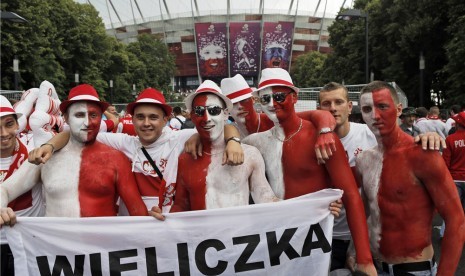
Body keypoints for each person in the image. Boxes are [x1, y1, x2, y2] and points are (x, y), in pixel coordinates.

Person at [242, 68, 376, 275]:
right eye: (265, 98)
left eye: (278, 96)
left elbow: (350, 196)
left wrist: (365, 258)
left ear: (294, 97)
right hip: (276, 243)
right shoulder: (257, 142)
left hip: (315, 242)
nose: (271, 103)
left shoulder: (322, 137)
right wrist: (231, 139)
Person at [28, 87, 244, 214]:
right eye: (140, 117)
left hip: (172, 219)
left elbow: (221, 126)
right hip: (135, 222)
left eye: (153, 117)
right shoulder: (125, 142)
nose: (146, 123)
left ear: (166, 119)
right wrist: (48, 145)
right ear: (133, 119)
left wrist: (233, 140)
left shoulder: (180, 138)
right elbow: (75, 133)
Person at [318, 82, 444, 274]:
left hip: (397, 257)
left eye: (338, 102)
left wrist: (429, 135)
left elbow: (396, 135)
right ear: (318, 109)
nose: (333, 108)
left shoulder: (369, 131)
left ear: (350, 107)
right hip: (328, 235)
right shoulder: (313, 140)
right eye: (326, 104)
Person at [354, 81, 464, 275]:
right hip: (375, 268)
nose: (375, 115)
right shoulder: (364, 160)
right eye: (367, 109)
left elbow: (456, 220)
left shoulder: (422, 155)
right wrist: (353, 252)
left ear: (398, 110)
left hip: (415, 269)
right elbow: (365, 213)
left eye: (382, 106)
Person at [1, 84, 149, 221]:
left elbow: (137, 212)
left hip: (102, 246)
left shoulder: (116, 159)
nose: (87, 122)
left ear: (101, 117)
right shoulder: (44, 156)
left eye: (93, 115)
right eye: (79, 115)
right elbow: (5, 190)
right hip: (57, 246)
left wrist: (153, 219)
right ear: (66, 118)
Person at [220, 74, 337, 164]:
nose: (240, 107)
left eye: (244, 100)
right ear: (227, 110)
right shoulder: (228, 130)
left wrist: (325, 132)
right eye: (233, 104)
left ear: (253, 100)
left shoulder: (274, 119)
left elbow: (320, 114)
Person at [0, 95, 45, 276]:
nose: (3, 133)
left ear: (18, 125)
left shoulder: (35, 149)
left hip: (30, 246)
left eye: (9, 124)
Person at [440, 111, 465, 238]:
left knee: (451, 210)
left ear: (458, 124)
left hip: (454, 179)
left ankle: (445, 234)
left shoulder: (450, 139)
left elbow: (445, 163)